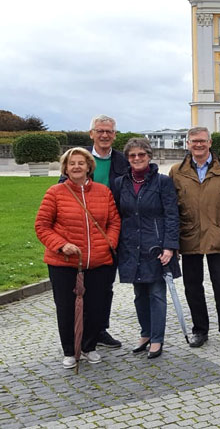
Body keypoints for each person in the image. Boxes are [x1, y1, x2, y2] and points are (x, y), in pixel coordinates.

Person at [35, 147, 121, 369]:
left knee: (95, 307)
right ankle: (69, 350)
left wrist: (108, 243)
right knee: (66, 308)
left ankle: (89, 346)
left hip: (99, 261)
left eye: (81, 163)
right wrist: (61, 245)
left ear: (89, 166)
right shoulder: (55, 192)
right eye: (71, 163)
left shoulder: (103, 192)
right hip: (64, 263)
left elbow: (114, 222)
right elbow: (42, 226)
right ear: (65, 168)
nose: (76, 167)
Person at [170, 127, 220, 348]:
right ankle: (200, 330)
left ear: (210, 142)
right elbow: (171, 204)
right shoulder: (177, 171)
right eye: (194, 141)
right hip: (189, 234)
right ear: (188, 143)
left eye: (202, 141)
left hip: (218, 234)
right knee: (192, 286)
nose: (198, 145)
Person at [112, 138, 179, 360]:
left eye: (141, 154)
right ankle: (145, 333)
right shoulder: (121, 183)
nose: (137, 159)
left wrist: (169, 247)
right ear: (127, 159)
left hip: (156, 246)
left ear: (149, 156)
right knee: (139, 293)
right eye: (132, 155)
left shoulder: (162, 182)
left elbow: (172, 215)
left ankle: (157, 338)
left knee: (157, 293)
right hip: (131, 245)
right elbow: (117, 216)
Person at [66, 115, 127, 350]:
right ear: (91, 133)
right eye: (100, 131)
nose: (104, 135)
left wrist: (113, 236)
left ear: (114, 135)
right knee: (79, 287)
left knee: (104, 286)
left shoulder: (122, 161)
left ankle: (100, 328)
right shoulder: (79, 159)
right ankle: (78, 330)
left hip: (110, 233)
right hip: (80, 233)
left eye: (109, 132)